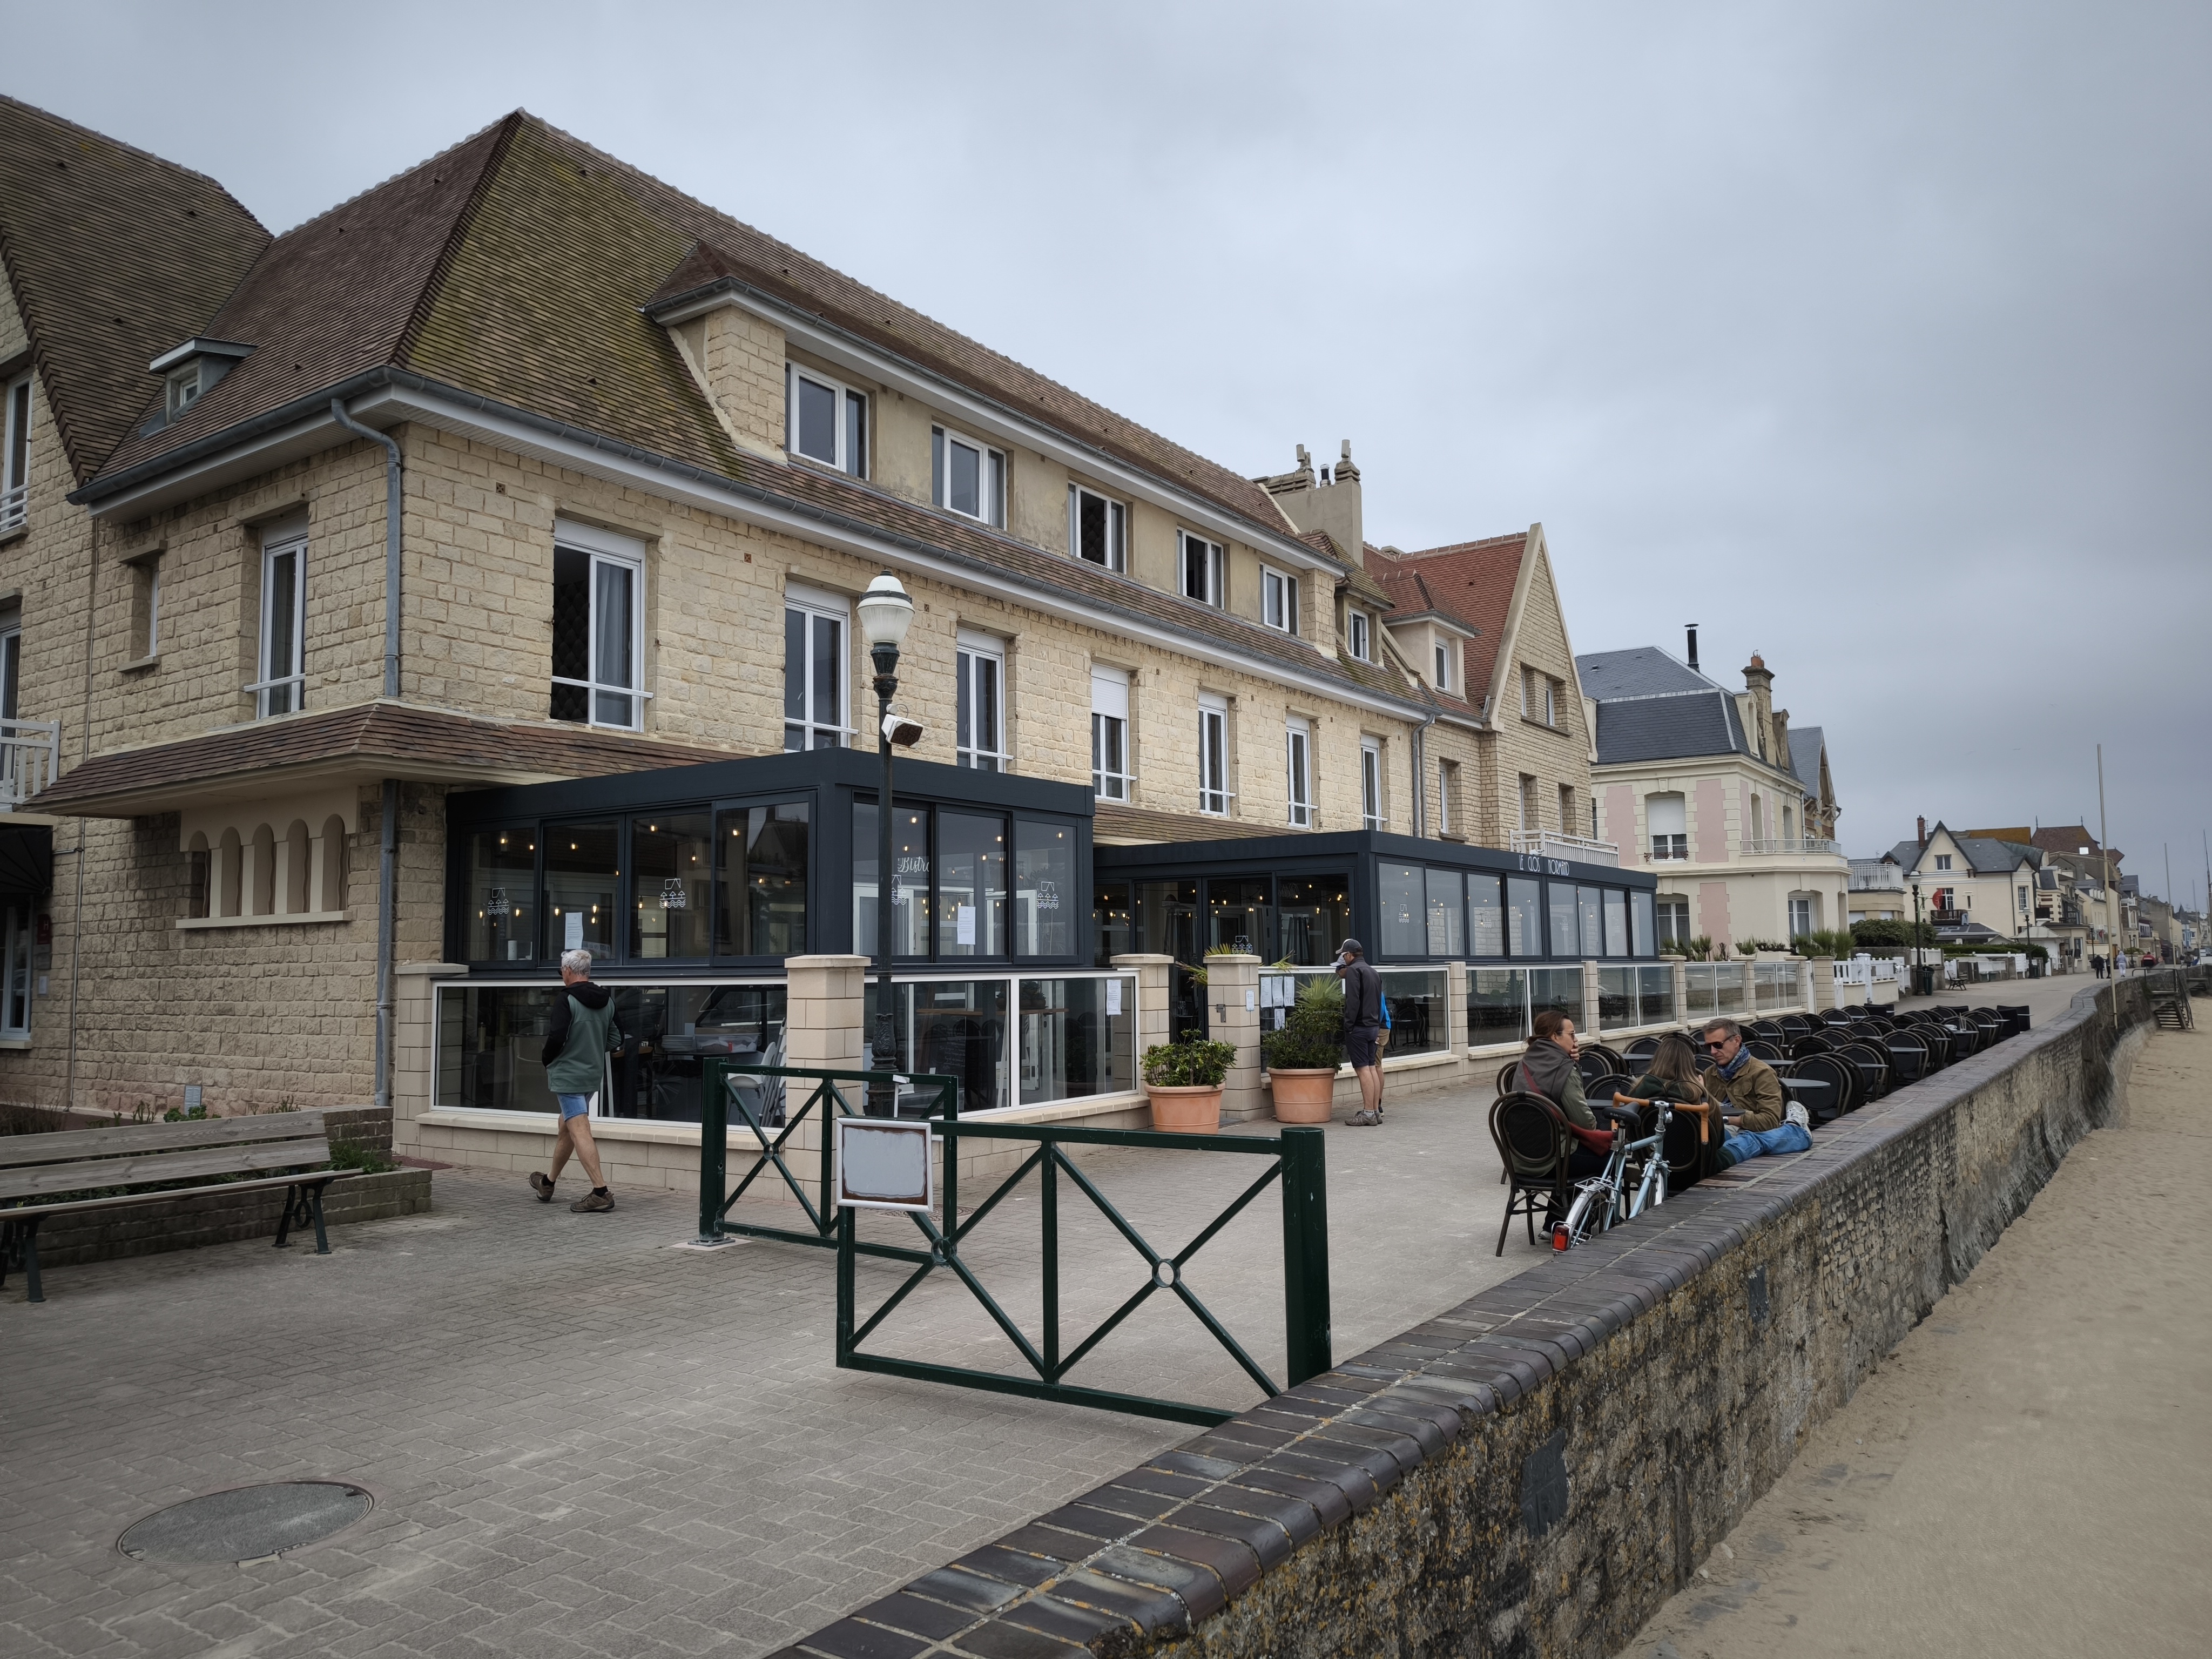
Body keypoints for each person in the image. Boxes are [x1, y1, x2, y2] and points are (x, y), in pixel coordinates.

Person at [529, 948, 619, 1212]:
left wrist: (548, 1059)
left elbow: (557, 1037)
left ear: (568, 971)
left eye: (561, 971)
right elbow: (616, 1038)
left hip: (568, 1075)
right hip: (592, 1074)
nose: (562, 975)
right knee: (567, 1127)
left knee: (579, 1130)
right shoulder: (607, 1000)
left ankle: (600, 1192)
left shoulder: (566, 999)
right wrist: (591, 1050)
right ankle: (547, 1183)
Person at [1516, 1009, 1615, 1179]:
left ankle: (1566, 1197)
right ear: (1555, 1036)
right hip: (1554, 1159)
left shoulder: (1523, 1064)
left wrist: (1571, 1063)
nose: (1576, 1040)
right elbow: (1585, 1123)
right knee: (1615, 1162)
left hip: (1521, 1159)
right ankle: (1584, 1197)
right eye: (1572, 1034)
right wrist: (1571, 1067)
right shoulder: (1564, 1069)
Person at [1699, 1017, 1810, 1166]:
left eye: (1718, 1045)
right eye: (1708, 1047)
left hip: (1745, 1134)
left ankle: (1796, 1130)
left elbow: (1770, 1121)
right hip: (1718, 1132)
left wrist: (1727, 1118)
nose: (1713, 1052)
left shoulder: (1761, 1072)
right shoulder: (1710, 1073)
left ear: (1736, 1040)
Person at [1626, 1032, 1719, 1189]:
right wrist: (1703, 1091)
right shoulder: (1700, 1098)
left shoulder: (1637, 1096)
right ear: (1690, 1065)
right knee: (1744, 1141)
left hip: (1652, 1170)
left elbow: (1630, 1133)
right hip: (1697, 1173)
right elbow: (1718, 1141)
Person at [1335, 939, 1386, 1125]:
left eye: (1344, 955)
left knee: (1363, 1069)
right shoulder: (1373, 971)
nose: (1343, 958)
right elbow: (1379, 1002)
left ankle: (1367, 1113)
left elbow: (1353, 1001)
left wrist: (1348, 1026)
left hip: (1359, 1027)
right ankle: (1375, 1112)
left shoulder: (1354, 971)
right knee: (1371, 1068)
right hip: (1373, 1027)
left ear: (1349, 955)